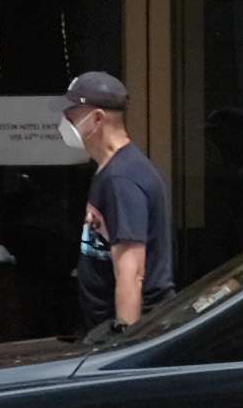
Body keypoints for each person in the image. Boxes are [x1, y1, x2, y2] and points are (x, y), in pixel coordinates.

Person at [62, 71, 172, 333]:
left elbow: (132, 272)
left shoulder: (122, 178)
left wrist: (124, 342)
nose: (65, 121)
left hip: (125, 332)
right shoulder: (112, 170)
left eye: (73, 114)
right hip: (102, 329)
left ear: (97, 118)